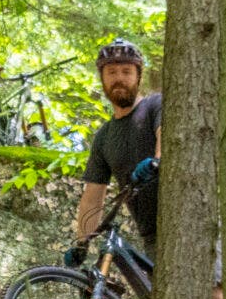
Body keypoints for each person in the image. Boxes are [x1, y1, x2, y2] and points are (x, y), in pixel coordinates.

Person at [64, 40, 159, 264]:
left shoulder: (155, 105)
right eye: (112, 72)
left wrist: (156, 162)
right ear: (102, 78)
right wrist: (81, 243)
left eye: (126, 71)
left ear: (138, 77)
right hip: (152, 236)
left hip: (188, 221)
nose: (119, 78)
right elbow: (93, 197)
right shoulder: (104, 137)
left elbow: (165, 135)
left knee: (212, 287)